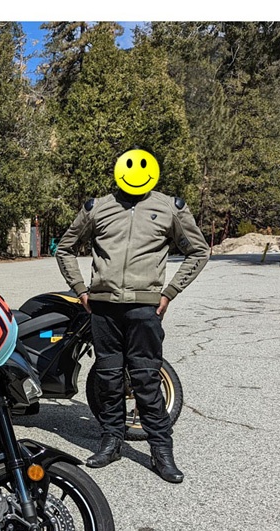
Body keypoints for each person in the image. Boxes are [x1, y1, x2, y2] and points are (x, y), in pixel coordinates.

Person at [55, 147, 209, 483]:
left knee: (145, 379)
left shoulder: (169, 207)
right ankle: (111, 440)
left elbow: (199, 251)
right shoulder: (98, 207)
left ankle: (161, 450)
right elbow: (64, 247)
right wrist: (81, 289)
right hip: (103, 309)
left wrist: (170, 292)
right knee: (108, 379)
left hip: (144, 308)